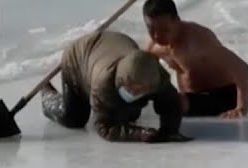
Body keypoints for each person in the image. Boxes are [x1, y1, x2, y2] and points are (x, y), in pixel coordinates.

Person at [43, 29, 191, 143]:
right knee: (75, 119)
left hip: (118, 45)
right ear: (121, 80)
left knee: (130, 112)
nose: (134, 91)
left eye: (140, 90)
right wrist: (138, 134)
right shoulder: (102, 85)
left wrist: (169, 130)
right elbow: (104, 127)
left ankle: (129, 104)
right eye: (130, 88)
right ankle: (47, 94)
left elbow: (170, 104)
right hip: (78, 58)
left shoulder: (157, 76)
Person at [142, 0, 248, 119]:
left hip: (224, 95)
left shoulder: (198, 41)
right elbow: (139, 70)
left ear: (177, 20)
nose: (157, 36)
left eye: (164, 30)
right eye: (151, 30)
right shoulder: (153, 45)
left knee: (171, 103)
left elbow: (242, 68)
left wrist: (241, 108)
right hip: (189, 97)